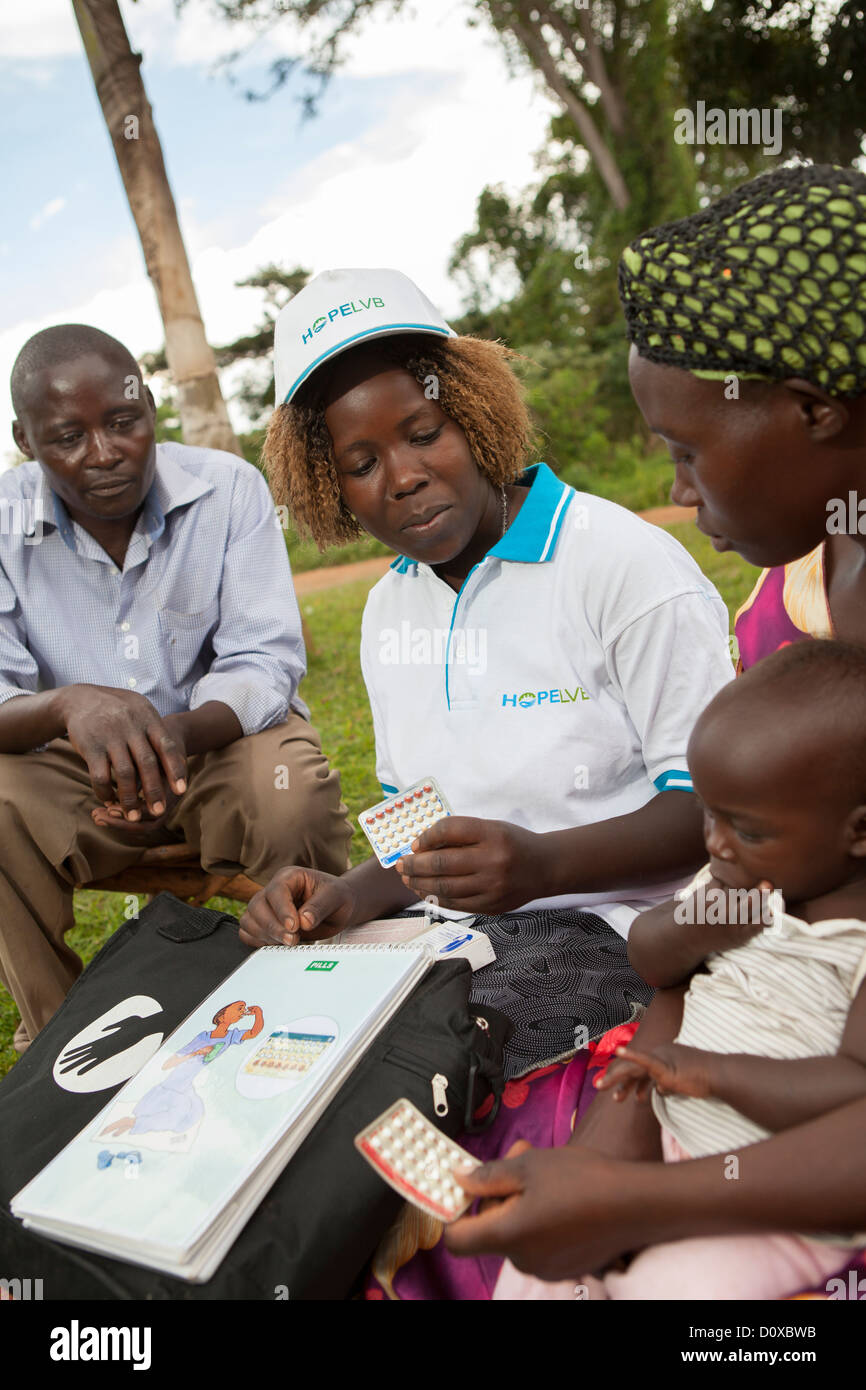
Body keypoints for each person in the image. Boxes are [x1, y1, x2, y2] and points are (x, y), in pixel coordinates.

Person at [435, 163, 866, 1301]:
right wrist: (643, 1082)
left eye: (686, 449)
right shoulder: (798, 594)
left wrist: (638, 1196)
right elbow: (744, 893)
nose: (675, 490)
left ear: (814, 408)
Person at [240, 267, 735, 1077]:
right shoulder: (387, 612)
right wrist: (347, 896)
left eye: (424, 432)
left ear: (475, 412)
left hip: (624, 926)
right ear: (330, 488)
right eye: (360, 463)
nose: (402, 476)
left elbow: (720, 813)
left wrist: (543, 865)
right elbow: (417, 829)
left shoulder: (620, 565)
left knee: (421, 1074)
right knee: (280, 1047)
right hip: (460, 939)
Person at [1, 324, 352, 1052]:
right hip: (77, 772)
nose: (104, 454)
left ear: (150, 408)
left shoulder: (227, 489)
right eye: (67, 436)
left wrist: (174, 735)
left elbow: (264, 660)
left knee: (287, 785)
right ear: (25, 441)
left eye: (124, 423)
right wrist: (71, 705)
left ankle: (327, 981)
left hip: (216, 744)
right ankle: (60, 1044)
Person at [101, 999, 263, 1142]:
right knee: (177, 1114)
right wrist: (196, 1053)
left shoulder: (230, 1036)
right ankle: (130, 1123)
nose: (242, 1012)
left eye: (243, 1009)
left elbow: (253, 1032)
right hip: (179, 1079)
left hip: (191, 1081)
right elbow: (168, 1063)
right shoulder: (203, 1038)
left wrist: (258, 1013)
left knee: (194, 1114)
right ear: (221, 1016)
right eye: (238, 1008)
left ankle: (133, 1124)